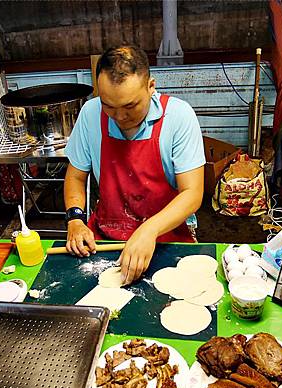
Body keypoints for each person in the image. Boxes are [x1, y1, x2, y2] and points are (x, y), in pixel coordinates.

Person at [64, 44, 205, 285]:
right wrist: (75, 219)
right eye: (108, 105)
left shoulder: (179, 116)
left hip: (167, 237)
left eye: (130, 106)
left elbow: (192, 193)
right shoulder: (90, 114)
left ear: (151, 86)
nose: (119, 117)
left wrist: (149, 230)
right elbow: (76, 176)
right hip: (106, 237)